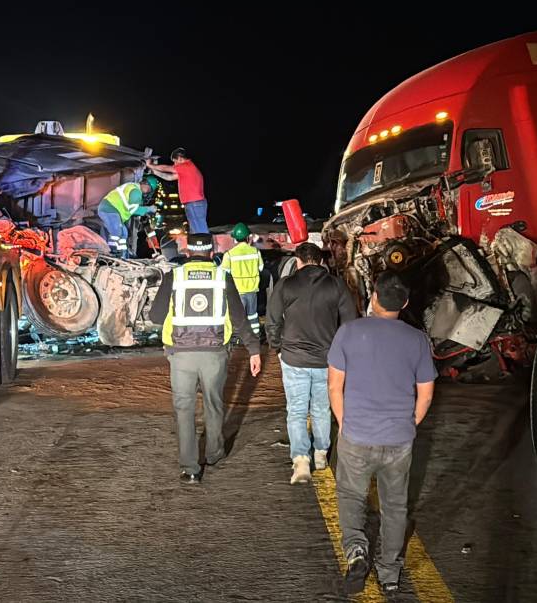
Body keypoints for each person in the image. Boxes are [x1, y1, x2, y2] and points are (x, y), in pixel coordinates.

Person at [328, 271, 436, 594]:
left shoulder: (349, 332)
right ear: (404, 303)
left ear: (373, 296)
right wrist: (410, 423)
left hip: (357, 434)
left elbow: (335, 386)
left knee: (350, 496)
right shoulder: (417, 340)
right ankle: (390, 573)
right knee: (395, 505)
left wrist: (345, 422)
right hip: (399, 439)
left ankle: (357, 552)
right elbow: (426, 393)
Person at [148, 232, 262, 484]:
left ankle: (190, 469)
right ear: (212, 252)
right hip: (214, 355)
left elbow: (156, 316)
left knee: (184, 408)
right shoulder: (223, 276)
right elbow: (240, 320)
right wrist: (254, 349)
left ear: (187, 252)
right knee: (213, 403)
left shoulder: (173, 277)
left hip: (180, 355)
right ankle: (213, 453)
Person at [266, 242, 357, 484]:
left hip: (293, 358)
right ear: (320, 261)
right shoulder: (336, 285)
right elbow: (350, 323)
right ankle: (320, 454)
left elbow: (272, 321)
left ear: (298, 261)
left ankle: (301, 461)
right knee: (321, 408)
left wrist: (277, 348)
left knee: (296, 410)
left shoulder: (286, 285)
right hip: (327, 360)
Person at [147, 147, 208, 234]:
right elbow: (169, 177)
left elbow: (166, 168)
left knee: (200, 230)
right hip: (194, 204)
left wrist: (150, 165)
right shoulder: (187, 169)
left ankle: (206, 246)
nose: (174, 164)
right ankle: (200, 245)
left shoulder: (186, 166)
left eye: (175, 161)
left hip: (195, 204)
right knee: (196, 230)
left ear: (180, 158)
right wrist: (154, 172)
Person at [97, 176, 160, 257]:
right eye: (150, 190)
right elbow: (133, 210)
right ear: (146, 185)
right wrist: (148, 209)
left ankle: (122, 255)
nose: (148, 192)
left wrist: (144, 212)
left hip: (110, 209)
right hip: (110, 209)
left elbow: (133, 207)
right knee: (118, 231)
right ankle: (113, 253)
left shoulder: (134, 188)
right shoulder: (136, 192)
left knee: (123, 233)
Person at [225, 222, 264, 336]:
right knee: (253, 314)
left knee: (238, 315)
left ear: (235, 239)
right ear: (248, 238)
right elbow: (261, 268)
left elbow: (224, 272)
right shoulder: (255, 252)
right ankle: (256, 335)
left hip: (237, 291)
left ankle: (238, 337)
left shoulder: (229, 254)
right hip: (252, 290)